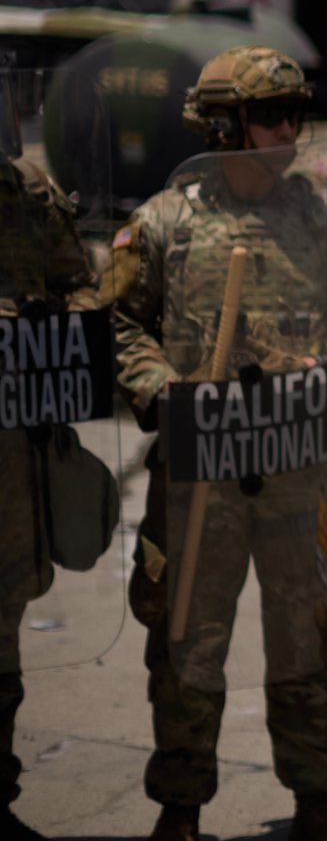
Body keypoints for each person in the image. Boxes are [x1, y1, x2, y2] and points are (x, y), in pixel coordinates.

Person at [112, 47, 327, 841]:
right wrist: (161, 387)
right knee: (186, 643)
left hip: (300, 473)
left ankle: (315, 799)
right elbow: (120, 323)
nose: (290, 131)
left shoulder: (320, 220)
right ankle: (180, 805)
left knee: (307, 641)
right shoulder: (164, 224)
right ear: (224, 126)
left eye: (296, 115)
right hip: (201, 474)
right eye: (272, 116)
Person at [1, 64, 102, 841]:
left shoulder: (29, 193)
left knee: (3, 626)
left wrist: (59, 324)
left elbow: (80, 290)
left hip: (14, 459)